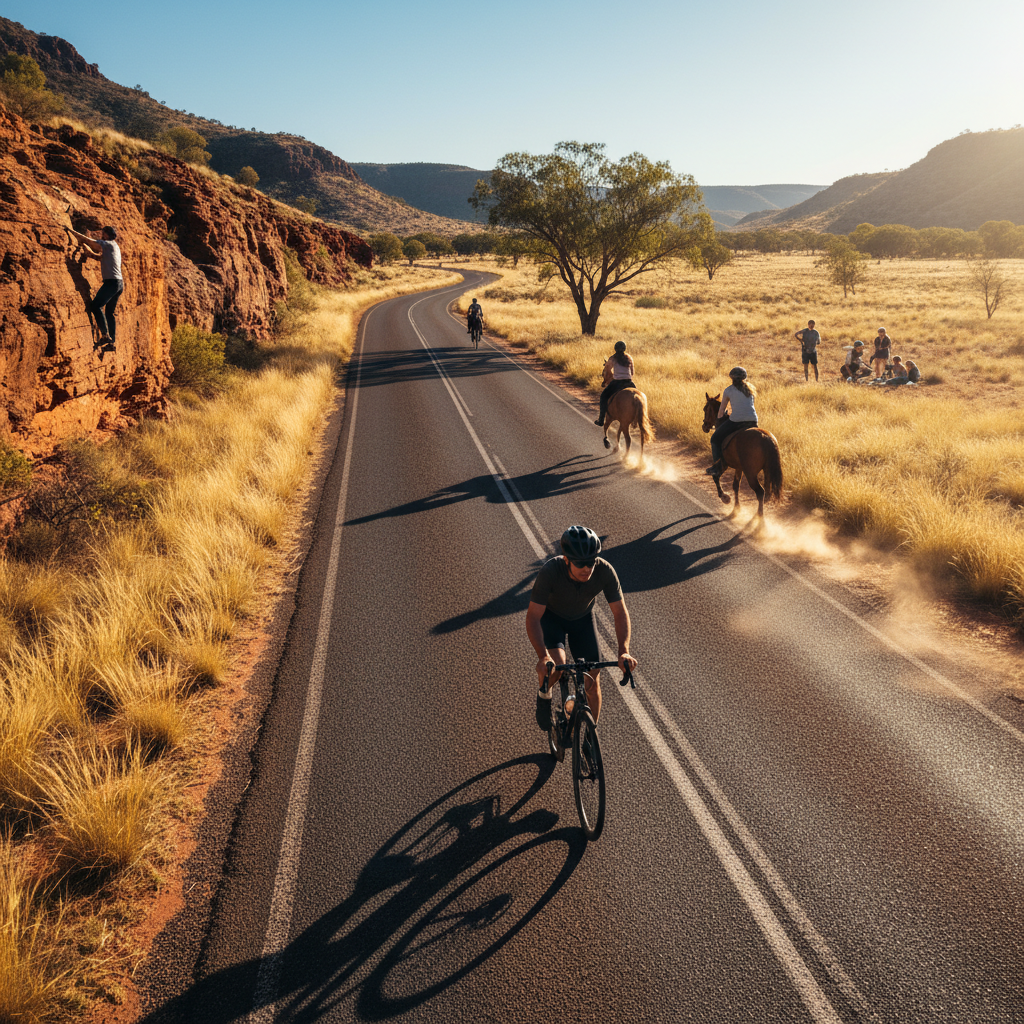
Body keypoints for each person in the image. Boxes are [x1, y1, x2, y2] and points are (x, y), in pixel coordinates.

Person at [527, 525, 637, 731]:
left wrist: (624, 651)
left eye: (591, 561)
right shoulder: (550, 572)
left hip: (582, 620)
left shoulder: (604, 571)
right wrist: (543, 656)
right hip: (553, 620)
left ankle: (590, 737)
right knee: (556, 667)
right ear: (566, 560)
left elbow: (620, 613)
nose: (587, 568)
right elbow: (533, 617)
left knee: (592, 683)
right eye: (580, 563)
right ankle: (544, 694)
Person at [67, 225, 123, 353]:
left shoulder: (107, 244)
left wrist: (71, 231)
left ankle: (105, 335)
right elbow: (98, 257)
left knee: (96, 306)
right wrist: (87, 251)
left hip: (111, 283)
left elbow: (89, 241)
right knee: (109, 312)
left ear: (106, 234)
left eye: (103, 233)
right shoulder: (114, 246)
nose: (101, 235)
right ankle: (111, 343)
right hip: (119, 283)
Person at [705, 366, 758, 479]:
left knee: (715, 439)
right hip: (753, 420)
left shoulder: (729, 390)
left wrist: (719, 420)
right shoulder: (751, 390)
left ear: (732, 378)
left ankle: (717, 467)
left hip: (737, 421)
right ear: (744, 378)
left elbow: (721, 410)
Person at [595, 341, 636, 427]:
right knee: (637, 398)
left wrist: (614, 375)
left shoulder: (613, 358)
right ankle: (636, 420)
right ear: (624, 349)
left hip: (617, 382)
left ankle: (601, 420)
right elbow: (632, 372)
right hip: (629, 382)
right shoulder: (629, 357)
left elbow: (608, 371)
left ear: (615, 349)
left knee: (603, 397)